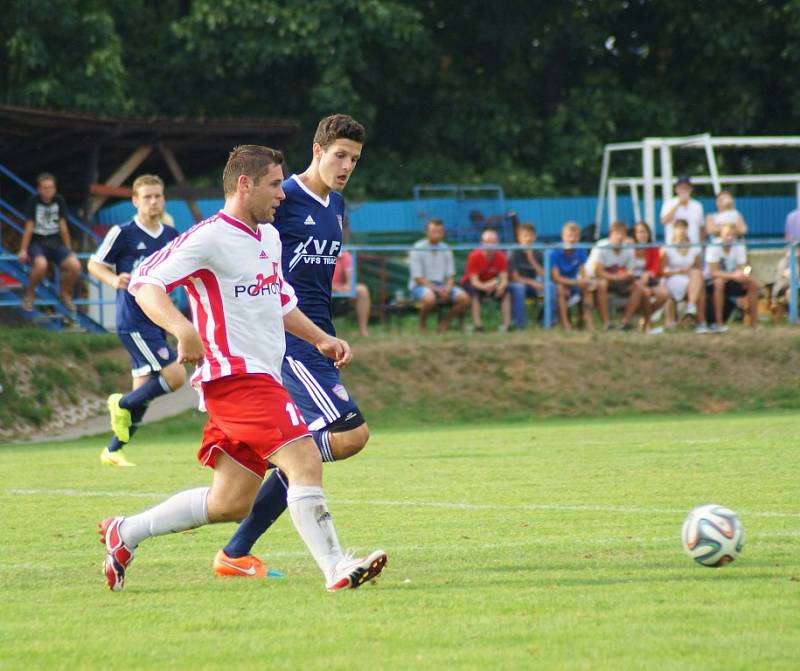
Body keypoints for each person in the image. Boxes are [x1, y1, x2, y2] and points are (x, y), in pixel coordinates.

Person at [99, 144, 386, 593]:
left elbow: (280, 301)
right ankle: (335, 566)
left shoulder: (268, 236)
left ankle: (126, 532)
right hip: (235, 377)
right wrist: (183, 329)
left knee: (229, 503)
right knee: (304, 457)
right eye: (274, 184)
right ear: (245, 184)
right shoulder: (208, 236)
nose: (282, 194)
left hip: (262, 375)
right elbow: (144, 283)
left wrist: (322, 339)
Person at [213, 114, 374, 578]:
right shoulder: (283, 198)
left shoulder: (336, 205)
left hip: (318, 339)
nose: (347, 165)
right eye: (340, 155)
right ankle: (277, 455)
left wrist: (327, 336)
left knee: (304, 449)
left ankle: (235, 552)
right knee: (349, 435)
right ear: (318, 150)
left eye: (355, 159)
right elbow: (234, 234)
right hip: (285, 341)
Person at [88, 174, 185, 467]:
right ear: (135, 201)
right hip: (133, 321)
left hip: (158, 320)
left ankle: (113, 449)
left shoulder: (171, 235)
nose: (154, 201)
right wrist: (114, 278)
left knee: (142, 391)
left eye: (158, 195)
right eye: (147, 197)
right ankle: (121, 404)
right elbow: (94, 263)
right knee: (176, 376)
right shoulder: (123, 232)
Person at [16, 173, 82, 314]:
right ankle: (29, 294)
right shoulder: (33, 201)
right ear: (39, 189)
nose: (48, 191)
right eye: (45, 188)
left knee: (75, 266)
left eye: (51, 188)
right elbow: (29, 226)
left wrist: (68, 248)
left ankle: (64, 293)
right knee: (41, 265)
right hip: (38, 242)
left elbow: (63, 225)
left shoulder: (59, 201)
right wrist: (23, 250)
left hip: (56, 242)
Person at [408, 218, 469, 333]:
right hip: (419, 286)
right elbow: (418, 278)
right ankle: (422, 325)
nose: (437, 234)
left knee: (464, 298)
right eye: (434, 231)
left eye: (440, 232)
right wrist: (438, 290)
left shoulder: (446, 248)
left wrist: (447, 288)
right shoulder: (417, 248)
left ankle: (444, 323)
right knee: (429, 298)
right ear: (427, 232)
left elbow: (450, 276)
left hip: (441, 285)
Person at [551, 221, 607, 330]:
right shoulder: (554, 252)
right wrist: (576, 282)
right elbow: (556, 277)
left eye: (575, 236)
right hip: (559, 284)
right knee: (560, 290)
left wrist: (587, 281)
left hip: (573, 282)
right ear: (563, 237)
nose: (572, 239)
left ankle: (588, 321)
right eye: (569, 236)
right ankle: (565, 324)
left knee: (588, 287)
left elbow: (583, 272)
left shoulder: (581, 250)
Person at [706, 222, 760, 331]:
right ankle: (719, 323)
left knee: (752, 283)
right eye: (727, 234)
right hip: (713, 281)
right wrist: (733, 276)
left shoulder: (739, 246)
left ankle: (754, 323)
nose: (730, 238)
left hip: (733, 278)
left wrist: (745, 274)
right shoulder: (713, 246)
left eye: (733, 235)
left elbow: (743, 267)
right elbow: (714, 272)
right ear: (721, 235)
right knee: (719, 283)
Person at [660, 219, 709, 333]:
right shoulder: (667, 248)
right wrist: (679, 271)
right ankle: (700, 320)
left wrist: (689, 271)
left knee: (697, 276)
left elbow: (698, 268)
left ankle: (691, 308)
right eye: (679, 228)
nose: (682, 231)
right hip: (673, 278)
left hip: (691, 278)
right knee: (699, 287)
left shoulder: (694, 248)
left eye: (684, 228)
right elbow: (662, 271)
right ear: (674, 230)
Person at [594, 220, 644, 330]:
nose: (620, 237)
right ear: (610, 235)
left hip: (620, 281)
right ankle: (606, 323)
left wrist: (625, 276)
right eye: (617, 234)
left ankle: (625, 322)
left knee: (639, 286)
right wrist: (617, 277)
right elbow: (598, 271)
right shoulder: (602, 246)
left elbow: (631, 272)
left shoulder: (629, 249)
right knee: (602, 284)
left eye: (623, 234)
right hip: (599, 280)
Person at [507, 222, 557, 329]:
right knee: (519, 288)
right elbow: (514, 278)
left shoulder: (538, 253)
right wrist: (532, 282)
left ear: (535, 237)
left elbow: (545, 276)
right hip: (518, 290)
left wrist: (532, 260)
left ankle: (547, 322)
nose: (528, 239)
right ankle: (519, 325)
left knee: (551, 287)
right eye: (525, 236)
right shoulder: (513, 252)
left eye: (531, 235)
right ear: (519, 238)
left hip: (535, 294)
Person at [460, 227, 511, 331]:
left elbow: (504, 278)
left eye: (493, 242)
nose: (490, 245)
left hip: (491, 283)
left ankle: (507, 325)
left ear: (497, 243)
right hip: (472, 283)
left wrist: (501, 287)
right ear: (482, 243)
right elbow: (474, 281)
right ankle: (478, 326)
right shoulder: (474, 256)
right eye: (487, 242)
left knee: (506, 293)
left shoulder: (501, 256)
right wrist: (485, 287)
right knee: (475, 294)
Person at [631, 222, 668, 332]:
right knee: (646, 293)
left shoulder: (653, 247)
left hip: (649, 278)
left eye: (644, 232)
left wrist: (648, 274)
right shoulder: (630, 247)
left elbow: (655, 267)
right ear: (634, 234)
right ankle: (647, 325)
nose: (642, 235)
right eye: (639, 232)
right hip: (633, 279)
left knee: (664, 295)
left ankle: (644, 319)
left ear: (649, 234)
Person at [331, 249, 371, 336]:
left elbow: (350, 281)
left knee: (362, 290)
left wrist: (346, 286)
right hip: (322, 289)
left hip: (340, 291)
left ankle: (363, 331)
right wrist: (334, 287)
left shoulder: (344, 255)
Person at [660, 176, 704, 244]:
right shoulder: (669, 203)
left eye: (686, 188)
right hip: (673, 245)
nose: (684, 190)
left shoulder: (697, 205)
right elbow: (664, 221)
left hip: (694, 245)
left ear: (691, 189)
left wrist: (701, 245)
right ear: (676, 189)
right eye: (681, 188)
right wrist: (678, 204)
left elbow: (701, 227)